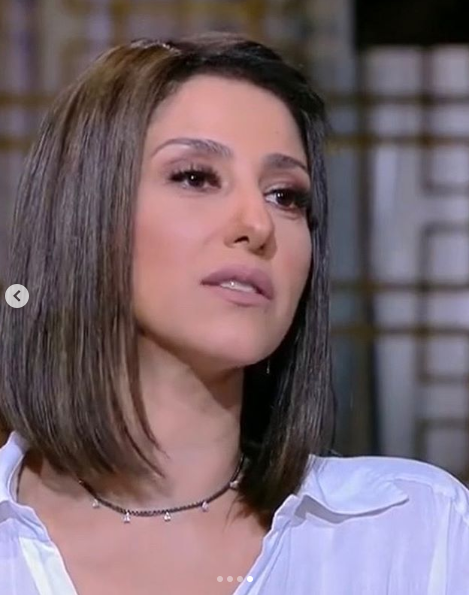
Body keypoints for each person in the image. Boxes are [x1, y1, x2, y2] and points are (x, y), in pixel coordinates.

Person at [0, 30, 467, 595]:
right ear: (86, 214)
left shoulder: (414, 534)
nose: (257, 224)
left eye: (285, 196)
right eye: (195, 177)